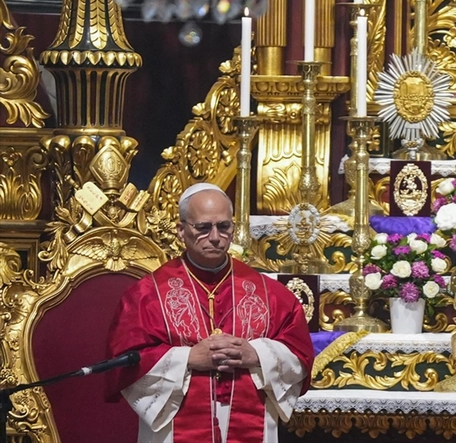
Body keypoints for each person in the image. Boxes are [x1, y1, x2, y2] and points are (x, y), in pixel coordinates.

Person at [106, 183, 314, 443]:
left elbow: (300, 355)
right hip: (175, 426)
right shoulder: (148, 295)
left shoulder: (270, 294)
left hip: (251, 422)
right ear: (181, 230)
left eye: (223, 226)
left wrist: (257, 354)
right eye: (203, 227)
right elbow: (124, 364)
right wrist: (187, 358)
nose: (215, 237)